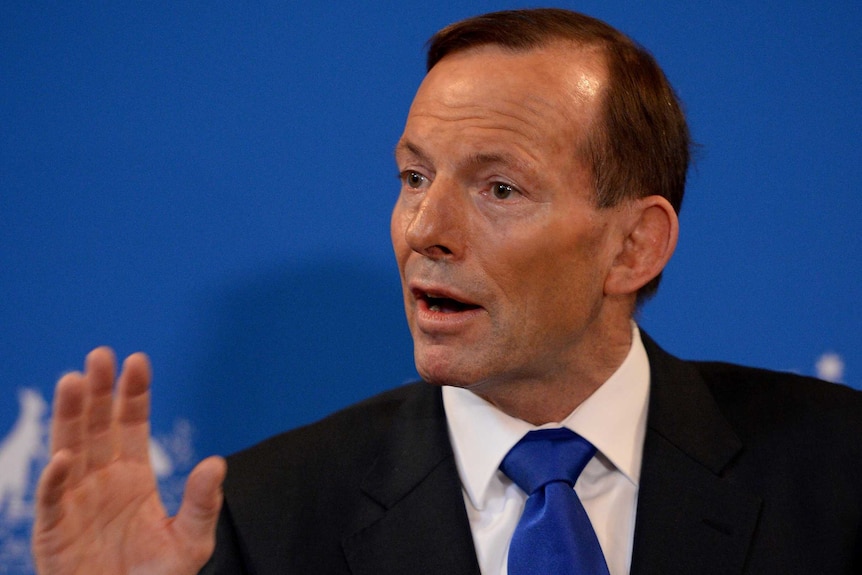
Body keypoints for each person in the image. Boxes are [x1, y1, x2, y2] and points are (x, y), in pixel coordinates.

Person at [31, 8, 862, 575]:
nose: (422, 228)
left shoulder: (836, 471)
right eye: (414, 175)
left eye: (499, 189)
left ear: (634, 245)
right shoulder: (267, 516)